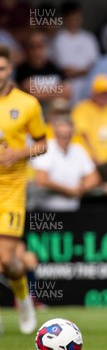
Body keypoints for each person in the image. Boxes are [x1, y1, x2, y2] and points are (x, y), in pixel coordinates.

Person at [0, 44, 47, 334]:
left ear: (10, 69)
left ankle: (23, 298)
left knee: (7, 260)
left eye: (2, 68)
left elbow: (43, 143)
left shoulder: (27, 104)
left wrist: (18, 154)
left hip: (12, 188)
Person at [32, 117, 100, 211]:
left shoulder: (78, 150)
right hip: (46, 211)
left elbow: (94, 178)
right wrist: (68, 190)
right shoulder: (46, 148)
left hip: (72, 209)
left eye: (67, 136)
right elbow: (41, 179)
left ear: (72, 135)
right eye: (60, 135)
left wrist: (81, 188)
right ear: (54, 134)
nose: (64, 139)